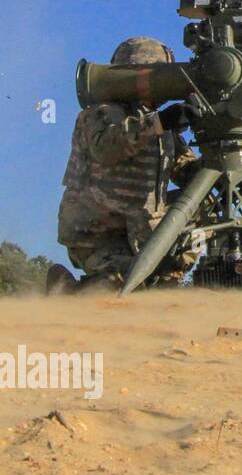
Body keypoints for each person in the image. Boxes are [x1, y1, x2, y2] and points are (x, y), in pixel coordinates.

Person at [50, 37, 201, 293]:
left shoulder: (162, 128)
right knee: (122, 286)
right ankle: (66, 292)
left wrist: (220, 144)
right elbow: (108, 148)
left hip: (144, 235)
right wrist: (160, 122)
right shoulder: (100, 113)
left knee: (163, 285)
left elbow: (187, 173)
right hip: (99, 236)